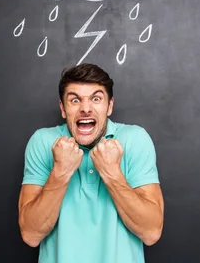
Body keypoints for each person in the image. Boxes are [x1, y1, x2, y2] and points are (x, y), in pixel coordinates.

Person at [18, 63, 164, 263]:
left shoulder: (135, 139)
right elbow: (30, 235)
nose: (85, 109)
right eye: (75, 100)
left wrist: (112, 174)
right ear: (62, 108)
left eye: (96, 99)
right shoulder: (43, 142)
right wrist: (60, 172)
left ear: (110, 106)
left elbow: (151, 232)